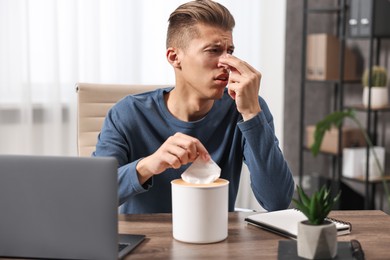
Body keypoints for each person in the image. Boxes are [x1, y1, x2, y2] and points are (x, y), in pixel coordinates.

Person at [93, 0, 294, 214]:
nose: (226, 62)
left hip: (215, 240)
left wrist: (252, 113)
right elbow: (92, 196)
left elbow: (278, 201)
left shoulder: (244, 109)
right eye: (213, 50)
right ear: (174, 57)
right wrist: (149, 165)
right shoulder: (127, 113)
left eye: (230, 51)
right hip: (147, 243)